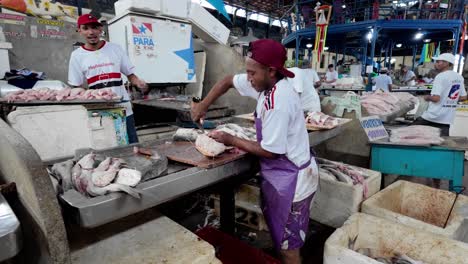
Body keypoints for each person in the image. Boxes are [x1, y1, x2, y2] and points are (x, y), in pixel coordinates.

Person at [191, 39, 318, 264]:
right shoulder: (267, 82)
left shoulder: (279, 101)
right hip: (281, 177)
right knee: (282, 239)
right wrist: (203, 105)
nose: (248, 79)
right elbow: (228, 80)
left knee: (289, 248)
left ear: (271, 71)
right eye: (247, 72)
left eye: (252, 74)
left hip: (293, 181)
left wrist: (230, 138)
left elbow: (271, 152)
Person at [68, 14, 148, 144]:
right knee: (107, 147)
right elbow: (76, 87)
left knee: (132, 145)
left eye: (94, 27)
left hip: (123, 108)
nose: (91, 32)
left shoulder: (115, 49)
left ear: (100, 29)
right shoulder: (77, 56)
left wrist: (139, 83)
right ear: (80, 30)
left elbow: (131, 75)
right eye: (86, 28)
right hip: (99, 111)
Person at [413, 53, 467, 188]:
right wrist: (450, 101)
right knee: (440, 150)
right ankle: (437, 178)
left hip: (431, 117)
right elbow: (463, 97)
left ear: (448, 63)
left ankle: (410, 166)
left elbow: (436, 98)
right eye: (436, 62)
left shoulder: (441, 77)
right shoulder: (458, 77)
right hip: (446, 120)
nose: (436, 64)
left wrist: (427, 97)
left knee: (405, 135)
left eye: (440, 62)